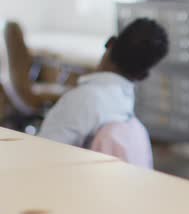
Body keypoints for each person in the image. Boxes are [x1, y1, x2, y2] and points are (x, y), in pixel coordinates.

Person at [38, 18, 168, 147]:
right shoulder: (126, 106)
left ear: (110, 43)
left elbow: (43, 152)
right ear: (142, 76)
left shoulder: (82, 100)